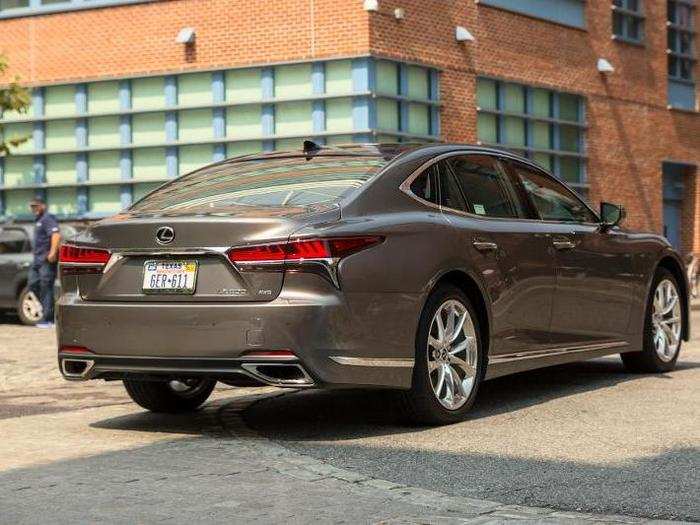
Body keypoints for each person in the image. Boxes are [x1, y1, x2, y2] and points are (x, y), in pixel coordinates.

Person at [28, 197, 61, 328]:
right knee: (32, 285)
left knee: (46, 288)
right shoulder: (38, 219)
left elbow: (56, 235)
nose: (33, 209)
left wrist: (53, 252)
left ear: (43, 206)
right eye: (32, 206)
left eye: (36, 206)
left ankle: (49, 319)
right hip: (37, 260)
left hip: (46, 260)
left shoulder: (48, 218)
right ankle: (46, 314)